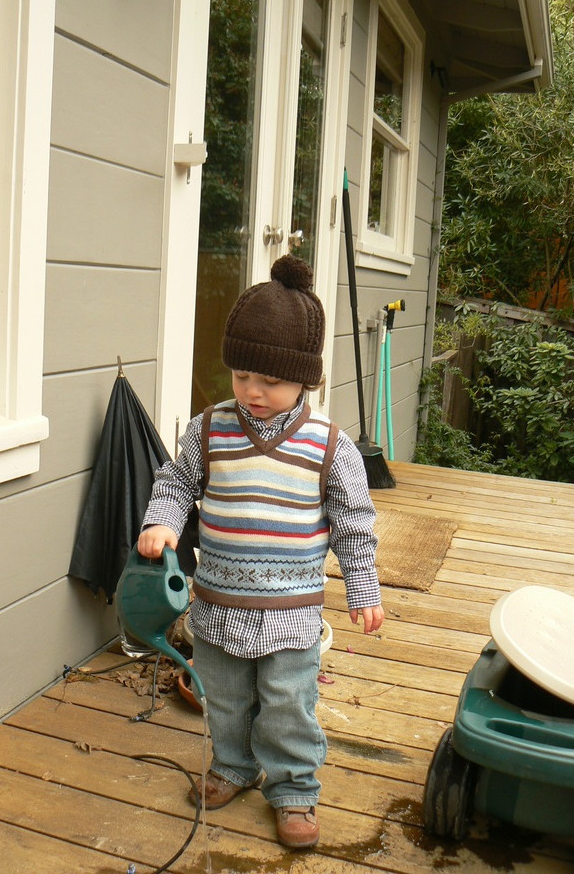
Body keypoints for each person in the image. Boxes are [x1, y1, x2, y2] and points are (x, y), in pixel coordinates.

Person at [138, 254, 383, 849]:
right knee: (223, 695)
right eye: (242, 374)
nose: (253, 390)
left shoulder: (329, 446)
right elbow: (177, 483)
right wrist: (163, 521)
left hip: (291, 611)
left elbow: (353, 524)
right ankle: (233, 765)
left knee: (287, 702)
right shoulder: (209, 429)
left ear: (305, 380)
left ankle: (294, 788)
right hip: (219, 602)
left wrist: (363, 587)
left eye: (270, 381)